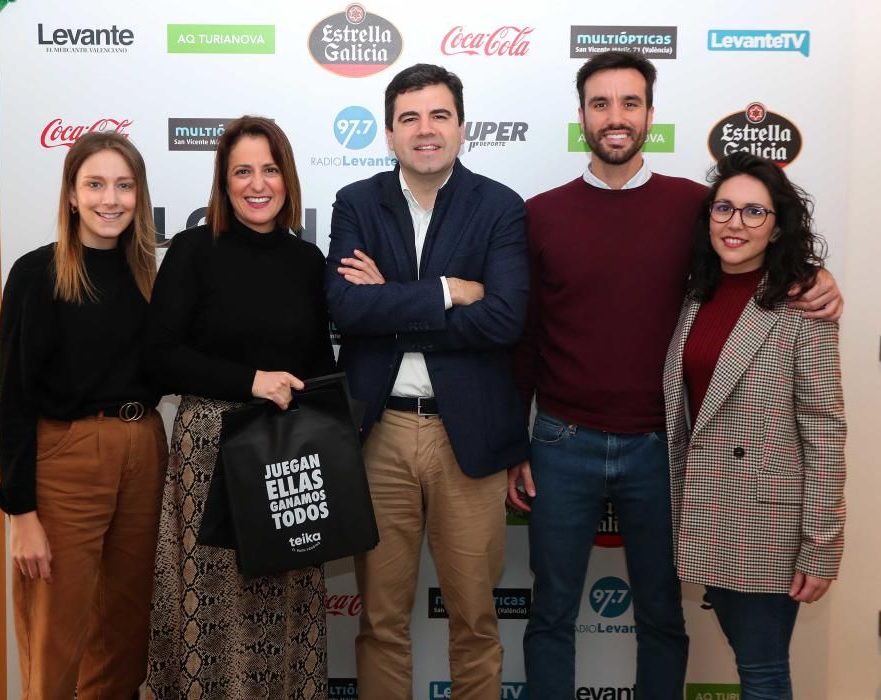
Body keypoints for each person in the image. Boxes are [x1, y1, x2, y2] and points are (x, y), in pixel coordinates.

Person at [507, 50, 843, 699]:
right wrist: (516, 444)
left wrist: (817, 277)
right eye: (600, 103)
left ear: (650, 115)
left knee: (663, 615)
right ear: (581, 116)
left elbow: (758, 254)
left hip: (664, 450)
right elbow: (523, 337)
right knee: (549, 613)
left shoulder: (697, 207)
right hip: (559, 443)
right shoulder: (539, 214)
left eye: (629, 103)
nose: (615, 117)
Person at [324, 63, 529, 699]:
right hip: (380, 434)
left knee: (474, 617)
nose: (425, 130)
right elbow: (347, 310)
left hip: (466, 438)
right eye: (409, 118)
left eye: (439, 115)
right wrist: (447, 292)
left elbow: (503, 319)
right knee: (381, 621)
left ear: (462, 127)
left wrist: (396, 304)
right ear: (388, 133)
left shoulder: (499, 206)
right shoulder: (357, 202)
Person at [145, 116, 335, 699]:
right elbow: (157, 357)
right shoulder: (194, 249)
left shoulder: (308, 261)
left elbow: (318, 365)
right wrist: (250, 380)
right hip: (209, 454)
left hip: (287, 458)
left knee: (286, 606)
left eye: (270, 170)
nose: (258, 184)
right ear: (223, 184)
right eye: (242, 171)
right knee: (212, 610)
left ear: (288, 178)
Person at [663, 152, 845, 699]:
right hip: (706, 511)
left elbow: (825, 430)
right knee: (754, 665)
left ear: (778, 226)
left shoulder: (801, 306)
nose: (735, 223)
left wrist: (821, 546)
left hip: (767, 526)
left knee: (762, 672)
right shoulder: (697, 293)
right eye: (724, 208)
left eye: (754, 212)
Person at [0, 131, 165, 698]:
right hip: (67, 457)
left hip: (144, 447)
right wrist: (21, 513)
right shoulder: (36, 274)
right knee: (58, 630)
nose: (109, 199)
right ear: (71, 194)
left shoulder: (151, 277)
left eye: (124, 185)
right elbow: (13, 398)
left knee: (123, 630)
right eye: (94, 184)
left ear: (140, 196)